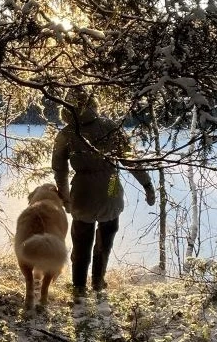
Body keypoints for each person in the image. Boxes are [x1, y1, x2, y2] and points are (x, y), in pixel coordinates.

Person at [52, 92, 156, 294]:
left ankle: (79, 288)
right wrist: (147, 184)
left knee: (81, 243)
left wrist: (65, 198)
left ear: (66, 108)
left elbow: (60, 170)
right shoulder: (109, 127)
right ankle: (98, 283)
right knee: (105, 240)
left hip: (83, 192)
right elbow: (129, 158)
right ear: (93, 104)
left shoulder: (67, 133)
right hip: (111, 186)